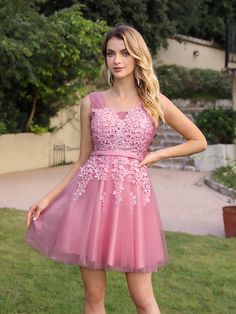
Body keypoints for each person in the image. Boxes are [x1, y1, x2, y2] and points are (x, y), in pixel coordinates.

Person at [25, 23, 207, 314]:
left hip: (133, 207)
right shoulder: (90, 102)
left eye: (124, 52)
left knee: (143, 298)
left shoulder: (154, 102)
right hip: (91, 205)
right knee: (93, 297)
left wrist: (157, 155)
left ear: (137, 56)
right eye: (111, 53)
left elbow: (198, 140)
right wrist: (47, 198)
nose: (117, 60)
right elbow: (82, 159)